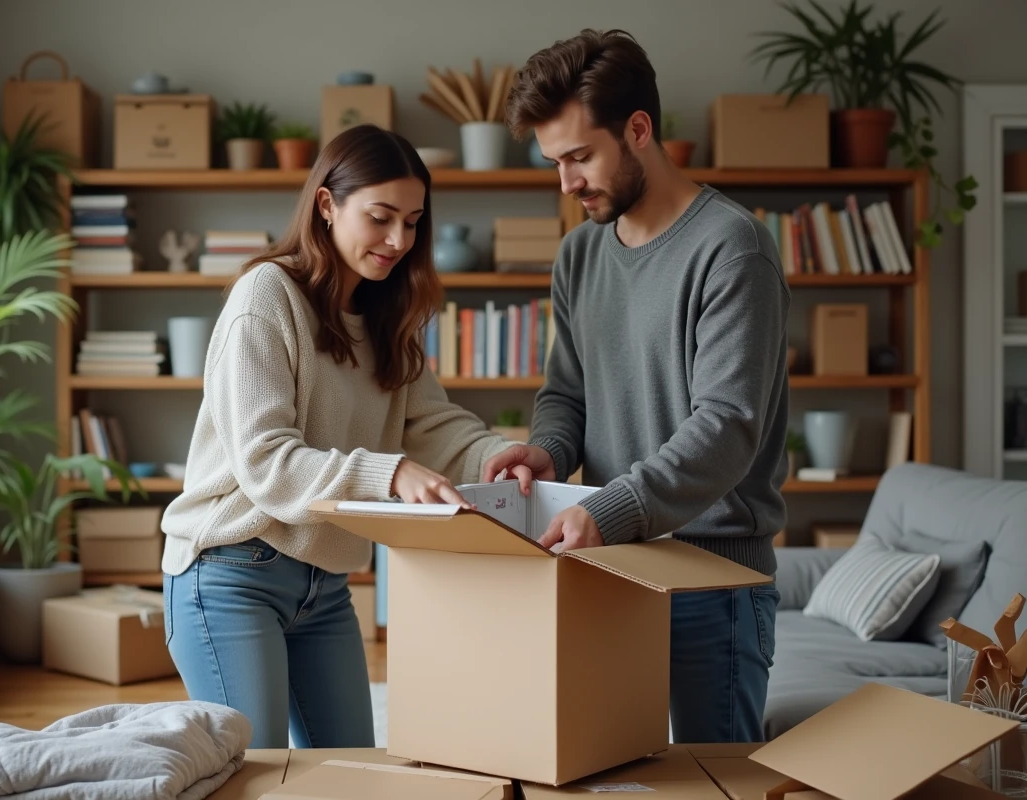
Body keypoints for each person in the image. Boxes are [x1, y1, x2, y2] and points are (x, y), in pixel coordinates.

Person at [159, 123, 519, 750]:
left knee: (352, 773)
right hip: (232, 571)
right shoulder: (265, 296)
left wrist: (501, 454)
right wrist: (390, 474)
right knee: (256, 777)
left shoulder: (387, 315)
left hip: (325, 585)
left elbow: (432, 425)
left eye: (412, 222)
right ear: (326, 204)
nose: (398, 240)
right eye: (380, 218)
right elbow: (266, 462)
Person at [484, 29, 789, 744]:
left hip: (713, 580)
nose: (566, 183)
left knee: (717, 788)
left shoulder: (732, 249)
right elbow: (567, 391)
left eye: (580, 157)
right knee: (607, 776)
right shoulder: (580, 253)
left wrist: (614, 509)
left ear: (639, 130)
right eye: (554, 163)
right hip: (610, 569)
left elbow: (727, 426)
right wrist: (548, 454)